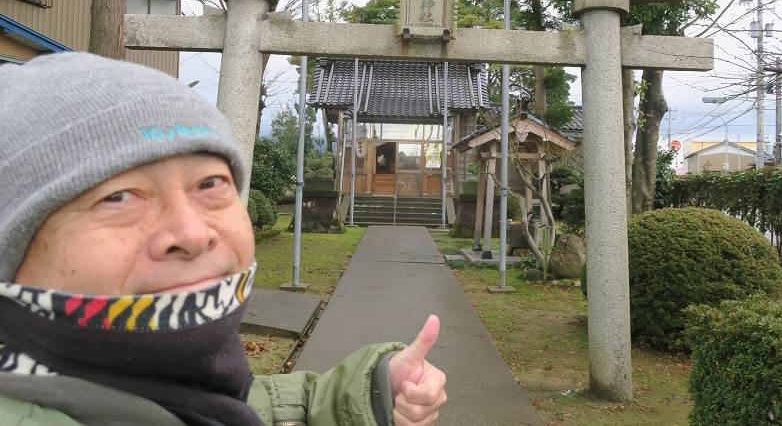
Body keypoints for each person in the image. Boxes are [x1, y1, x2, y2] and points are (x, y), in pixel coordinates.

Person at [0, 52, 447, 426]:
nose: (193, 234)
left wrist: (370, 389)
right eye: (118, 197)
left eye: (210, 184)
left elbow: (255, 404)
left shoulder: (189, 390)